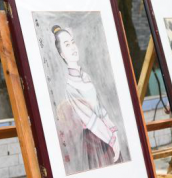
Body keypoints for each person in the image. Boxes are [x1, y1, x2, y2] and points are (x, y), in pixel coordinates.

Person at [52, 25, 123, 170]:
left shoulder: (86, 77)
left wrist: (114, 132)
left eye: (72, 42)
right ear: (62, 54)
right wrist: (111, 140)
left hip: (106, 133)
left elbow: (99, 108)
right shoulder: (70, 86)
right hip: (94, 139)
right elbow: (90, 119)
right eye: (67, 45)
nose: (73, 47)